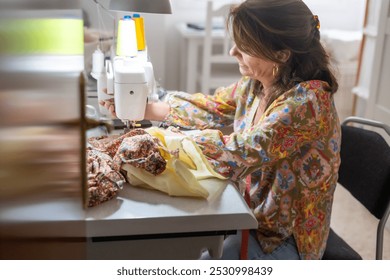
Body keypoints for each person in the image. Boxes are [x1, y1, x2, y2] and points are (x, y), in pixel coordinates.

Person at [100, 0, 340, 260]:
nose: (232, 52)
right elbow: (213, 107)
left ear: (281, 55)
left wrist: (164, 140)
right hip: (253, 214)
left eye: (245, 47)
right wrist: (142, 108)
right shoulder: (259, 83)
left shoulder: (308, 102)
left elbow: (245, 149)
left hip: (283, 237)